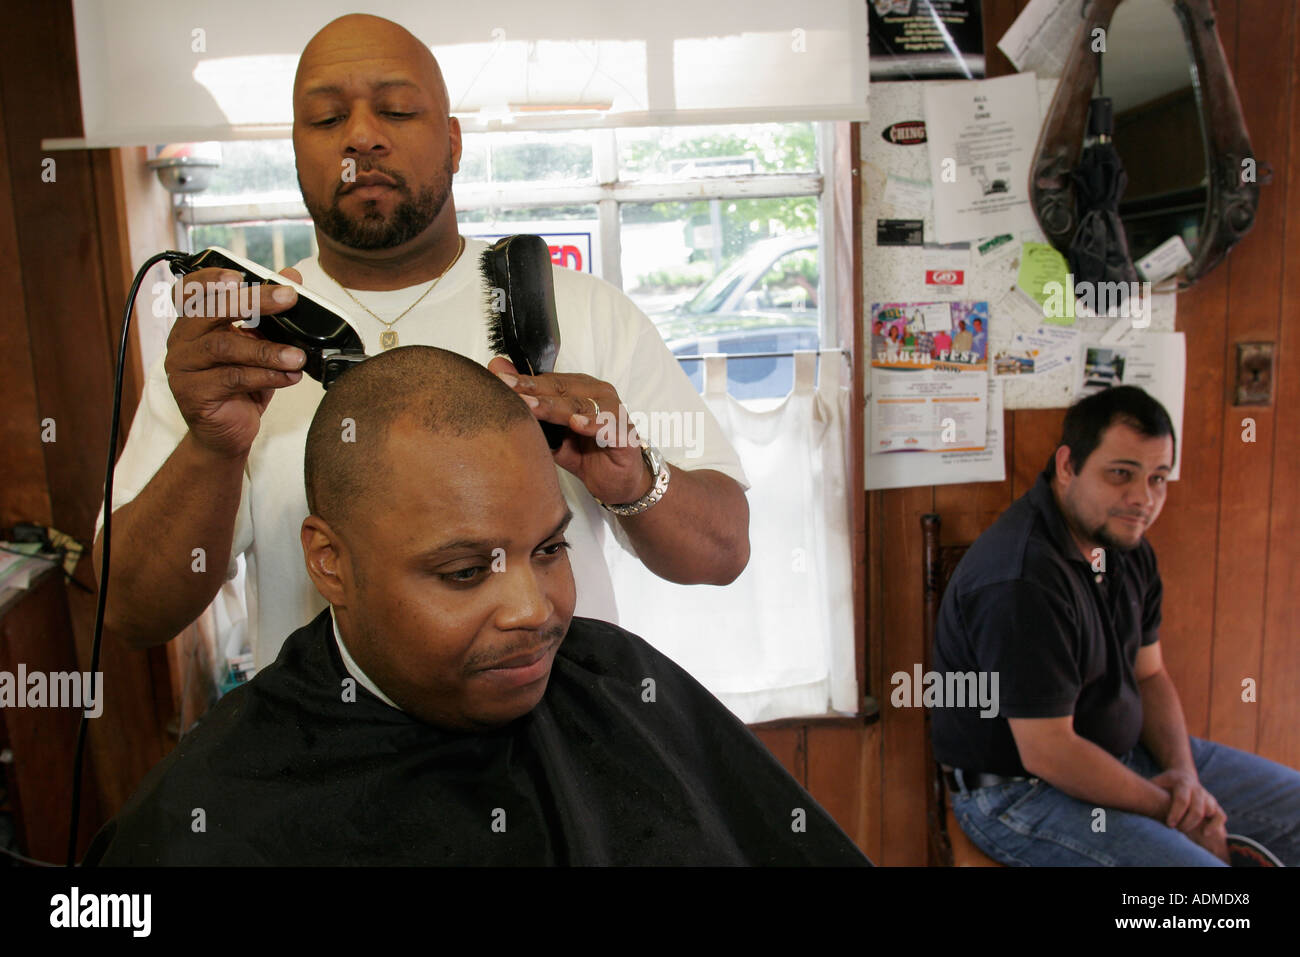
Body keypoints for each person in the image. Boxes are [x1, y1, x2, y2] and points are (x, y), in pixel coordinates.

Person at [93, 14, 750, 670]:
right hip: (334, 761)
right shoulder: (239, 348)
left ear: (455, 143)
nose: (360, 137)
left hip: (552, 749)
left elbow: (723, 550)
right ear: (295, 153)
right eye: (325, 120)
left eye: (398, 111)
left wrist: (635, 478)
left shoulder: (582, 311)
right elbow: (130, 610)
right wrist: (213, 449)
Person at [84, 347, 868, 866]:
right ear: (330, 562)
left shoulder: (617, 680)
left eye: (551, 550)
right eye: (465, 572)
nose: (534, 609)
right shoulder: (213, 817)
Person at [931, 386, 1300, 865]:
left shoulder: (1126, 547)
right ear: (1067, 466)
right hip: (1019, 793)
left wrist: (1185, 777)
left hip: (1126, 756)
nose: (1142, 498)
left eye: (1158, 478)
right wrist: (1175, 811)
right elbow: (1049, 753)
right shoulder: (1020, 578)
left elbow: (1150, 675)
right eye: (1121, 474)